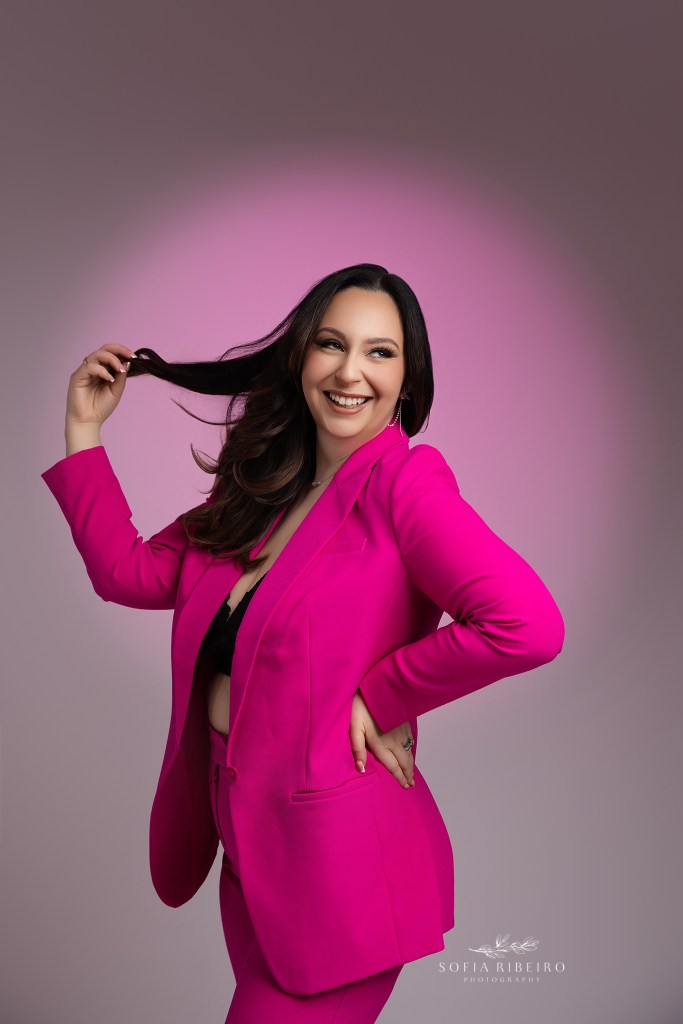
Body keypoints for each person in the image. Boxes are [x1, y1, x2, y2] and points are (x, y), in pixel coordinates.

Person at [40, 263, 565, 1023]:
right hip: (250, 856)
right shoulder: (257, 492)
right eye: (331, 344)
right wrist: (83, 431)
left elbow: (527, 625)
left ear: (408, 381)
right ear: (301, 358)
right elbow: (126, 573)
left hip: (337, 874)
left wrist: (382, 695)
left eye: (380, 352)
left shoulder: (406, 487)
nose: (351, 372)